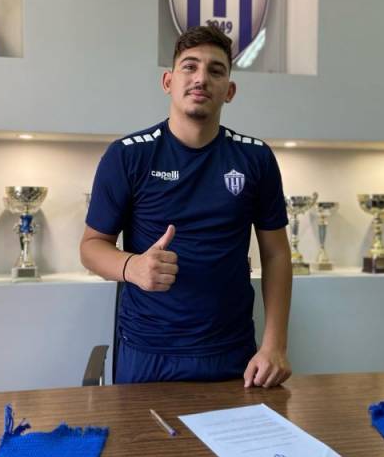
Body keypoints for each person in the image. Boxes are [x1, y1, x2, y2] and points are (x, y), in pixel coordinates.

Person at [80, 25, 292, 388]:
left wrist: (274, 346)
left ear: (230, 90)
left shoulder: (256, 158)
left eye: (215, 70)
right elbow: (91, 247)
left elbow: (276, 254)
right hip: (148, 352)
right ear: (168, 81)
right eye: (189, 66)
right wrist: (132, 267)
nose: (201, 79)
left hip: (232, 353)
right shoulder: (127, 155)